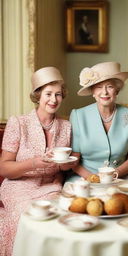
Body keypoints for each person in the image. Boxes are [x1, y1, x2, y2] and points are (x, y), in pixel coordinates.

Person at [0, 67, 77, 255]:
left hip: (51, 185)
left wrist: (62, 173)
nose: (53, 100)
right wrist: (34, 163)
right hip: (18, 187)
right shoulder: (18, 122)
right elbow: (4, 168)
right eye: (48, 94)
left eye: (58, 94)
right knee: (29, 216)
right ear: (37, 95)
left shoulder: (66, 126)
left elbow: (62, 167)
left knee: (62, 217)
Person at [67, 62, 128, 182]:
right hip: (84, 178)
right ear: (93, 92)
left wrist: (114, 174)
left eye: (110, 87)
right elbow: (74, 161)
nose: (104, 92)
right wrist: (93, 178)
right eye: (99, 87)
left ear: (117, 90)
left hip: (119, 178)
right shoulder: (78, 115)